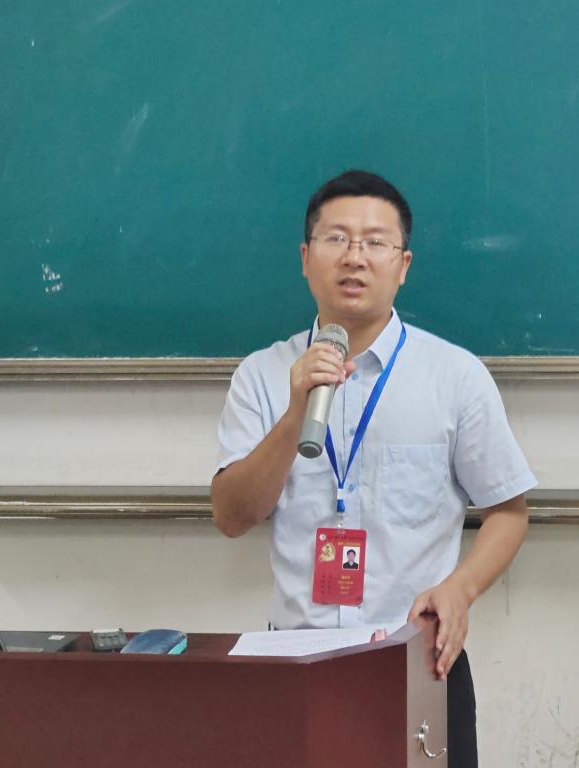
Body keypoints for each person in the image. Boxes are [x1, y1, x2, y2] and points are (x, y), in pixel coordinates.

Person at [212, 170, 536, 768]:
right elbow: (233, 516)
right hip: (296, 665)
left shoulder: (454, 376)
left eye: (375, 242)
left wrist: (460, 590)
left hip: (417, 658)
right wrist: (294, 414)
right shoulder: (261, 375)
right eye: (336, 239)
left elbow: (508, 512)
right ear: (306, 258)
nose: (355, 257)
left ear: (403, 264)